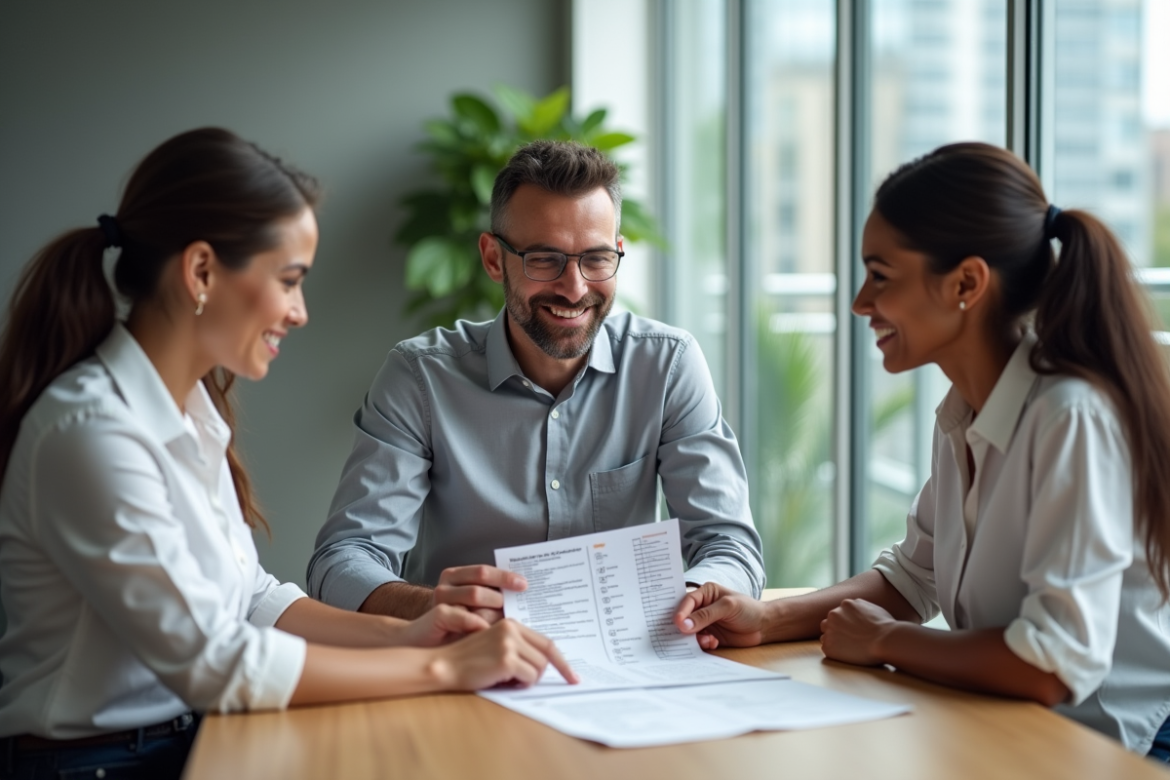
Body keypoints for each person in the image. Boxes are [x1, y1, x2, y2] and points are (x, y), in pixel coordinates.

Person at [0, 128, 574, 780]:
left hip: (178, 741)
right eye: (289, 280)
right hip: (92, 763)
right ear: (201, 272)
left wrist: (413, 632)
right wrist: (442, 668)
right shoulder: (94, 432)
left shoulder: (188, 413)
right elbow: (214, 661)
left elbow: (251, 599)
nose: (299, 312)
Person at [673, 142, 1170, 759]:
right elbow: (912, 579)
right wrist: (765, 619)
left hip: (1123, 749)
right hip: (1020, 729)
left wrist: (886, 642)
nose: (860, 302)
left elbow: (1053, 663)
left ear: (966, 283)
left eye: (881, 276)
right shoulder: (965, 410)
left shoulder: (1069, 419)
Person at [308, 140, 765, 622]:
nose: (575, 288)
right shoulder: (420, 377)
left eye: (596, 258)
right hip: (467, 650)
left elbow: (729, 546)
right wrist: (441, 610)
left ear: (618, 253)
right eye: (545, 259)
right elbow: (343, 560)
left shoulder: (668, 365)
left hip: (633, 647)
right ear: (493, 258)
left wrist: (689, 601)